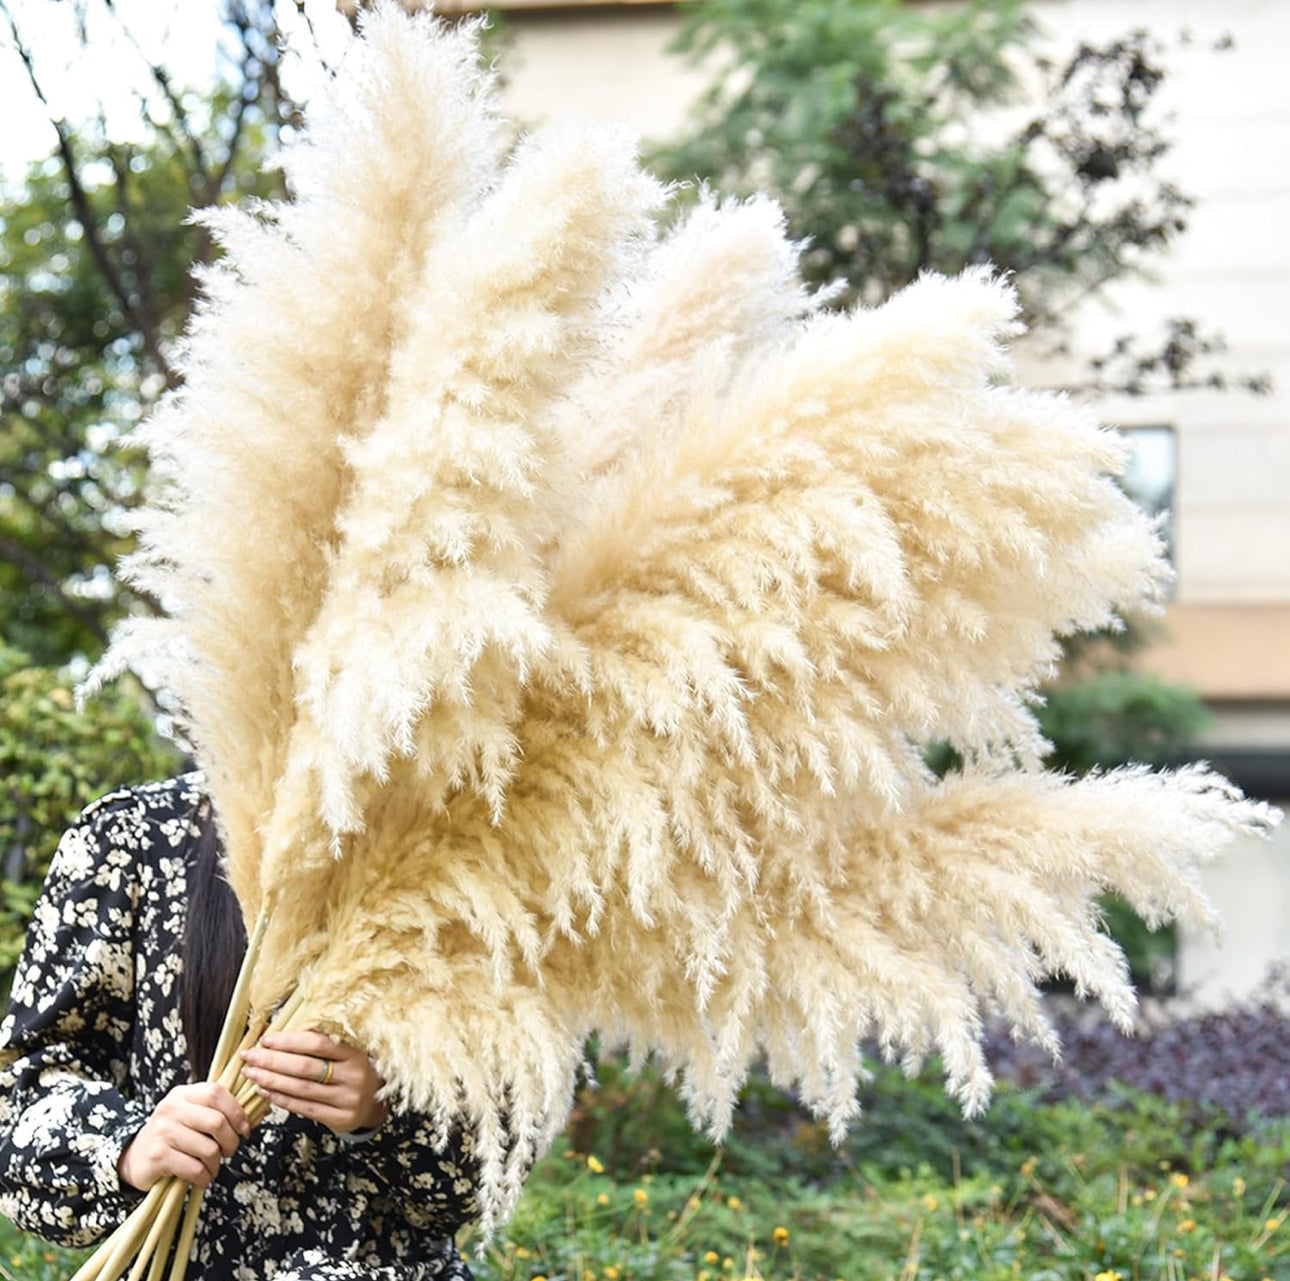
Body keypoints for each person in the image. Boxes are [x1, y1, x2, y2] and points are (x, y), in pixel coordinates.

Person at [0, 771, 482, 1280]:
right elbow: (20, 1093)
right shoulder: (137, 833)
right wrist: (125, 1146)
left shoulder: (460, 850)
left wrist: (389, 1110)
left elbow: (494, 1167)